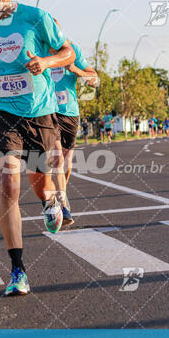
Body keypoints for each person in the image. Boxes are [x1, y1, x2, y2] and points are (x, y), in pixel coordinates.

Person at [0, 0, 75, 296]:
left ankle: (51, 201)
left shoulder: (37, 17)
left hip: (38, 112)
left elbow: (67, 53)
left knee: (40, 182)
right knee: (8, 181)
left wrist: (46, 62)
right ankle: (18, 270)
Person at [50, 44, 97, 228]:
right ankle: (62, 206)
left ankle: (60, 193)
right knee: (56, 159)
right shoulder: (37, 48)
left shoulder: (72, 51)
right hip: (46, 111)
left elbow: (93, 78)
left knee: (67, 162)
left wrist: (74, 69)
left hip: (69, 112)